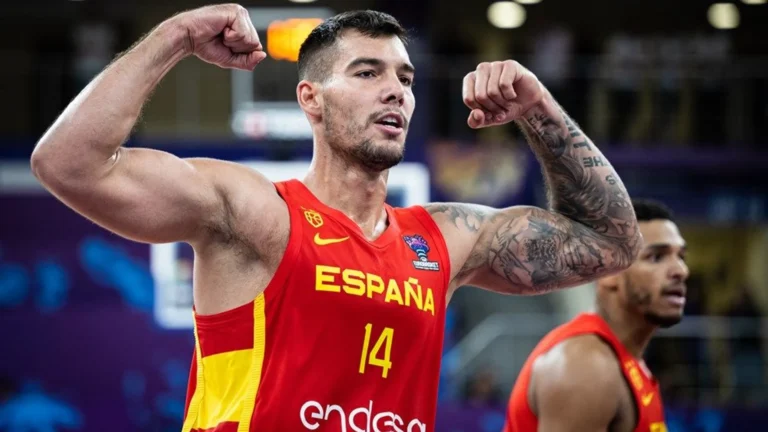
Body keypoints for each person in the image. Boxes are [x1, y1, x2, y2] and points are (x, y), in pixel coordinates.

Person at [30, 4, 641, 431]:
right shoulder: (255, 211)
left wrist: (538, 107)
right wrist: (177, 35)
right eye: (367, 73)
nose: (396, 90)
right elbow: (68, 163)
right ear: (311, 99)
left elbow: (611, 243)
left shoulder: (444, 238)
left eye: (404, 78)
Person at [503, 199, 688, 432]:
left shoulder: (624, 360)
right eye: (656, 257)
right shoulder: (587, 367)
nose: (681, 271)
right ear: (608, 272)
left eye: (681, 256)